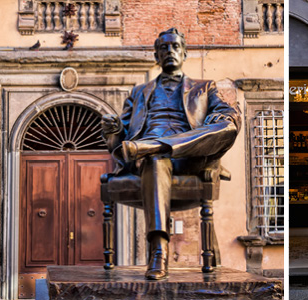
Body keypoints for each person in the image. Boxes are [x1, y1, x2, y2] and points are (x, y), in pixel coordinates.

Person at [101, 28, 240, 280]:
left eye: (175, 46)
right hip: (147, 159)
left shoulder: (204, 87)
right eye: (164, 48)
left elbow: (226, 119)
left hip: (190, 158)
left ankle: (154, 145)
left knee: (228, 125)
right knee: (155, 159)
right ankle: (159, 251)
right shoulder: (138, 92)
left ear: (184, 52)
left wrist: (222, 119)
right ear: (156, 55)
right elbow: (119, 141)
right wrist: (113, 130)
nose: (170, 51)